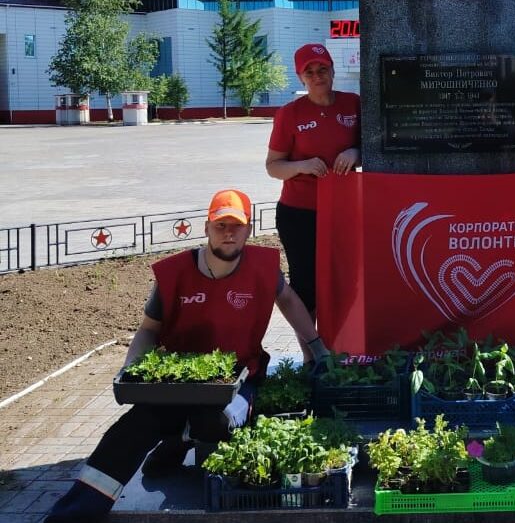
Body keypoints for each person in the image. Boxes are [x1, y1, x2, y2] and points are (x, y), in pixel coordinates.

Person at [44, 189, 329, 523]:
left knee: (218, 421)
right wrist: (131, 368)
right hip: (177, 382)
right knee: (132, 429)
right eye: (220, 225)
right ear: (207, 228)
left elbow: (290, 301)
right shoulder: (175, 273)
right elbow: (149, 329)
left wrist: (318, 349)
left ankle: (176, 442)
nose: (228, 233)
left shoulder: (263, 267)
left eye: (236, 226)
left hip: (241, 380)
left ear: (248, 230)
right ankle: (71, 514)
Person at [265, 43, 361, 363]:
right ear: (300, 77)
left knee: (343, 282)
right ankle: (311, 357)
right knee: (306, 286)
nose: (317, 76)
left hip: (343, 211)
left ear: (333, 71)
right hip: (299, 213)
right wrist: (302, 166)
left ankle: (340, 348)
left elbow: (373, 146)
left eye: (323, 69)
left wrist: (356, 153)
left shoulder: (353, 105)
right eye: (310, 71)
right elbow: (273, 166)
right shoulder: (290, 114)